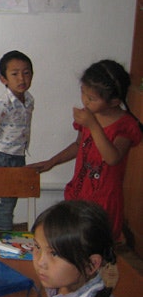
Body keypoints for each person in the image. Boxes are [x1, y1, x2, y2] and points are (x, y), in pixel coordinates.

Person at [27, 60, 142, 241]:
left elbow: (112, 157)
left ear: (115, 101)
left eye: (92, 98)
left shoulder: (125, 125)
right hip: (80, 192)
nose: (85, 101)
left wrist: (92, 125)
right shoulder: (89, 116)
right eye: (83, 93)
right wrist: (51, 162)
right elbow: (78, 145)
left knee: (97, 244)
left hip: (104, 200)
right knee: (73, 240)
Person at [0, 50, 34, 231]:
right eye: (15, 74)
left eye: (26, 73)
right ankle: (4, 235)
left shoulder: (29, 100)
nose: (21, 79)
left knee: (5, 198)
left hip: (18, 156)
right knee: (4, 202)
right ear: (4, 79)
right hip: (2, 157)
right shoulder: (4, 104)